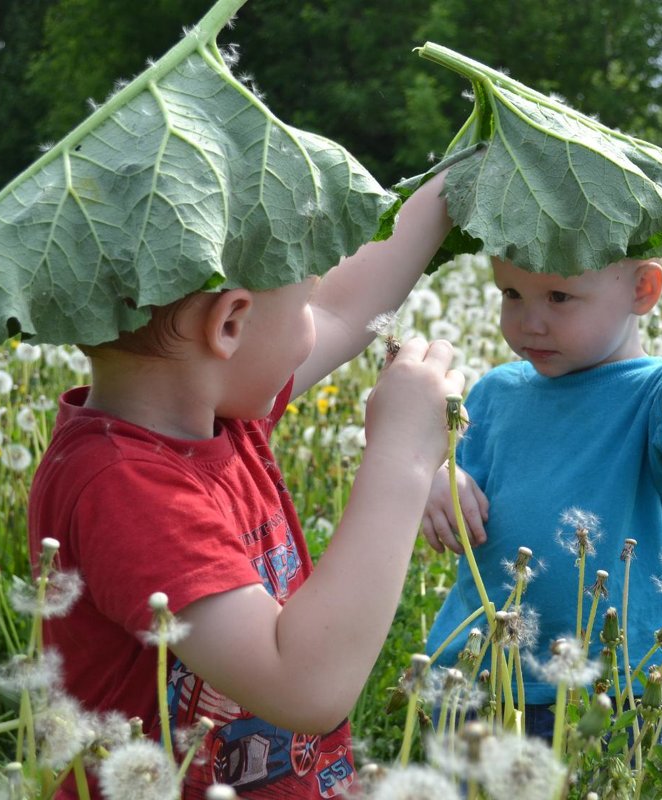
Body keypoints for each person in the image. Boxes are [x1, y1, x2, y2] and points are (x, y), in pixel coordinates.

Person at [28, 173, 463, 799]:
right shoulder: (122, 488)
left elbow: (345, 310)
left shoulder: (214, 414)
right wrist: (403, 457)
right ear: (230, 323)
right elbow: (305, 686)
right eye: (304, 296)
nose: (318, 317)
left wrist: (445, 192)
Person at [420, 235, 662, 738]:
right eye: (511, 294)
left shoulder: (653, 395)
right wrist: (439, 476)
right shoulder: (494, 391)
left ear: (642, 289)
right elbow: (434, 470)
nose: (529, 322)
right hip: (478, 671)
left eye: (558, 297)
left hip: (613, 683)